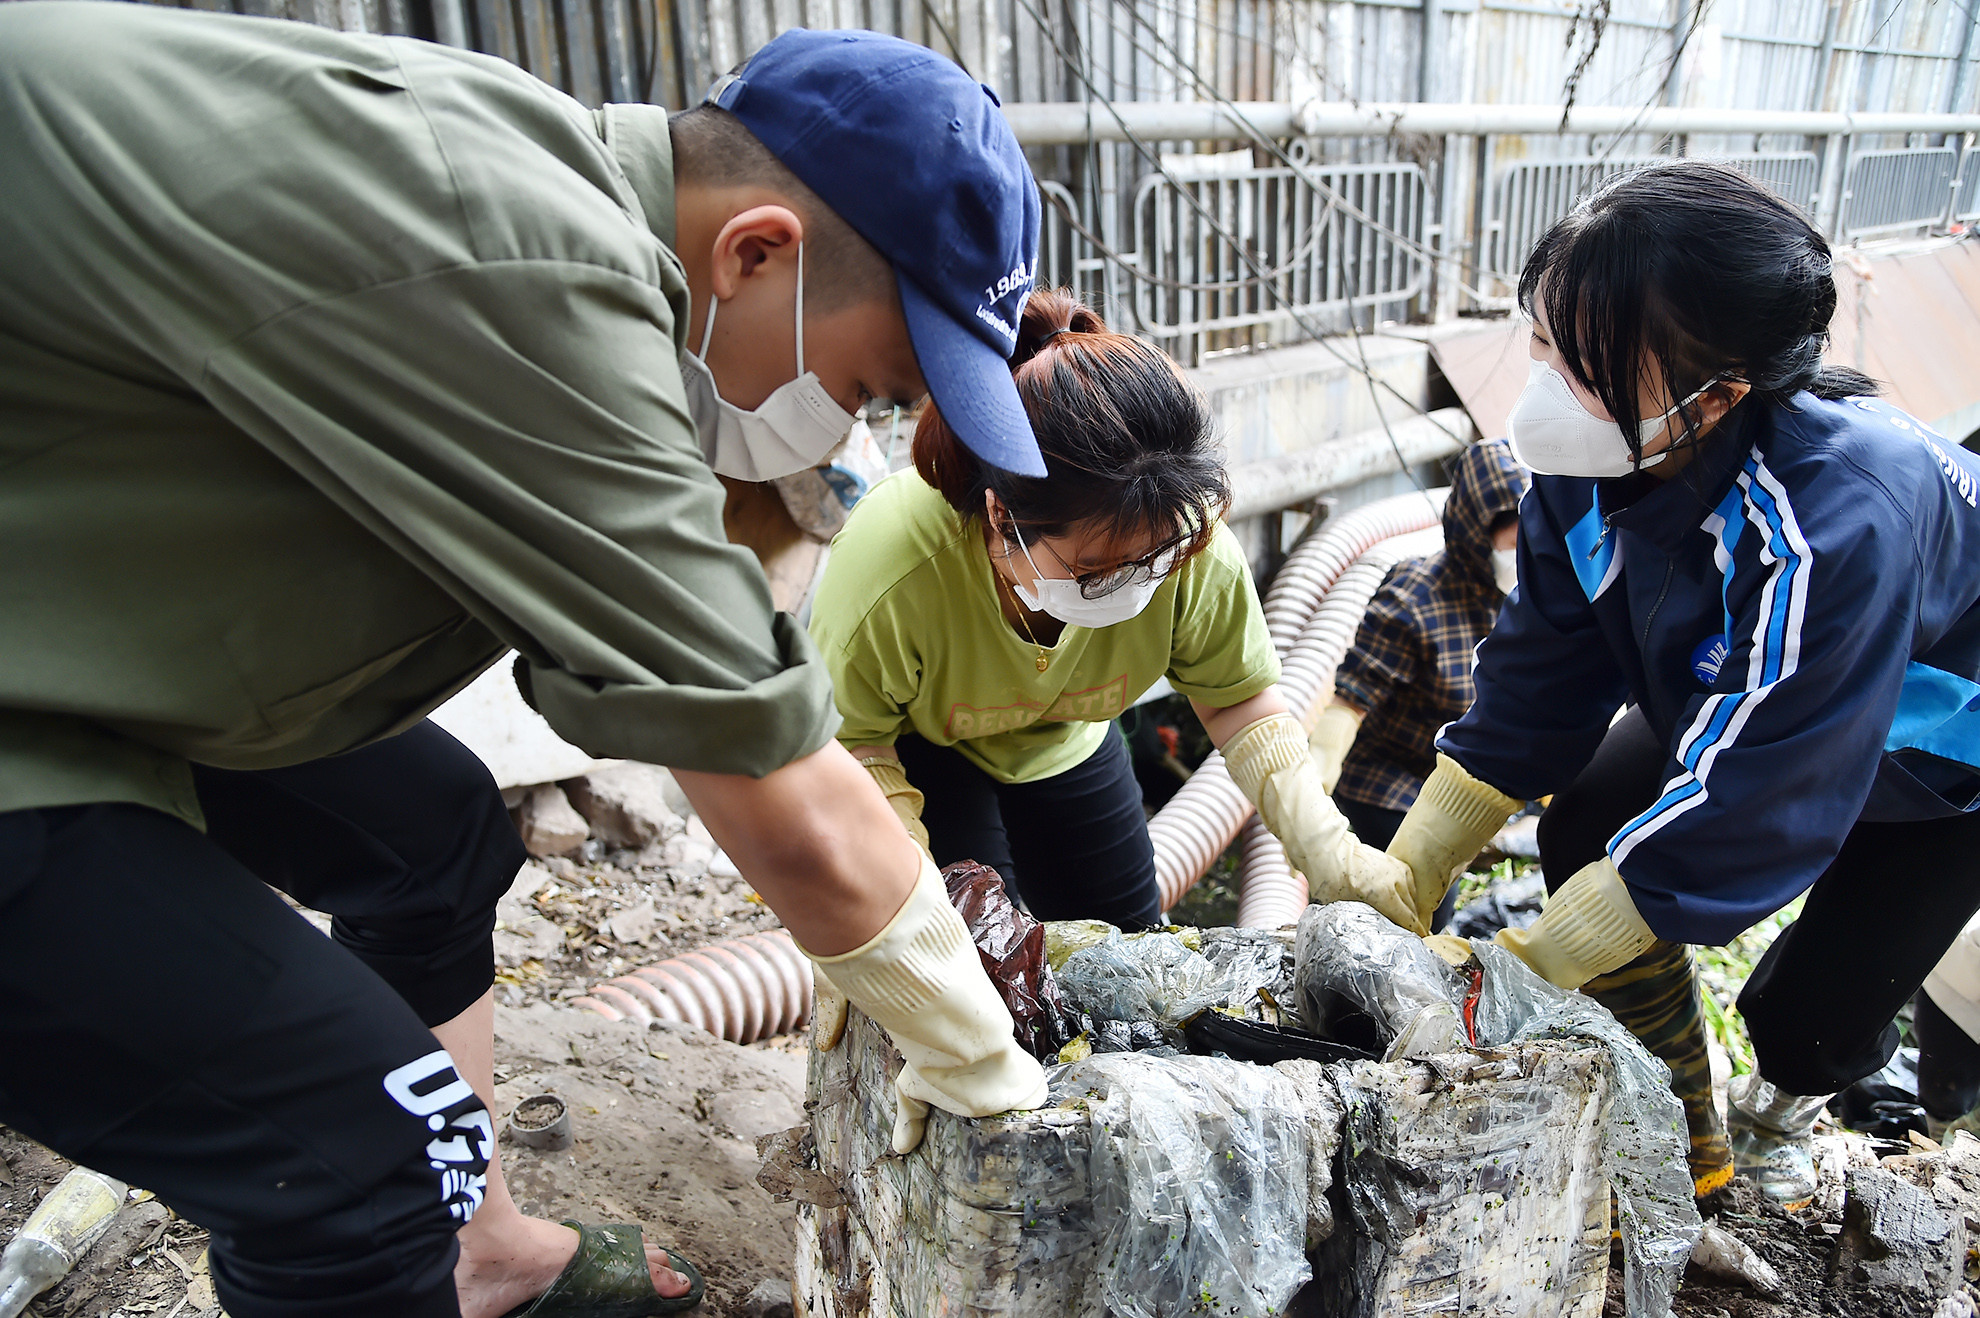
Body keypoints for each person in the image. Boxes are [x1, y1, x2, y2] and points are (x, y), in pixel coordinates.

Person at [0, 11, 1052, 1317]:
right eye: (871, 387)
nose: (853, 432)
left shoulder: (530, 180)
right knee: (364, 1152)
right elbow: (769, 776)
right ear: (755, 252)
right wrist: (976, 1048)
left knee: (431, 829)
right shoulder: (532, 267)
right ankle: (401, 1222)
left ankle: (476, 1248)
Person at [1386, 159, 1980, 1206]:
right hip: (1751, 690)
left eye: (1584, 365)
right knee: (1588, 827)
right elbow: (1548, 657)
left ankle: (1779, 1112)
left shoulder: (1837, 517)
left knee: (1819, 1015)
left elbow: (1763, 783)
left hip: (1935, 757)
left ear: (1719, 395)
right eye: (1542, 342)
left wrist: (1536, 960)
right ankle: (1682, 1124)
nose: (1545, 385)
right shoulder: (1596, 451)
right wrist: (1420, 852)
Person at [808, 289, 1425, 934]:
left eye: (1152, 561)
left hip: (1065, 741)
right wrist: (908, 897)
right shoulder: (892, 567)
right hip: (920, 753)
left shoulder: (1190, 545)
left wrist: (1327, 851)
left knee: (1133, 949)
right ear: (1002, 516)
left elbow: (1237, 702)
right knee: (968, 949)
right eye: (1095, 570)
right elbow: (854, 746)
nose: (1132, 586)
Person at [1311, 437, 1528, 931]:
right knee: (1408, 905)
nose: (1524, 552)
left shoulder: (1523, 596)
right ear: (1476, 527)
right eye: (1513, 538)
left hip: (1461, 778)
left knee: (1432, 901)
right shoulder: (1417, 596)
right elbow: (1351, 700)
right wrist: (1312, 804)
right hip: (1392, 779)